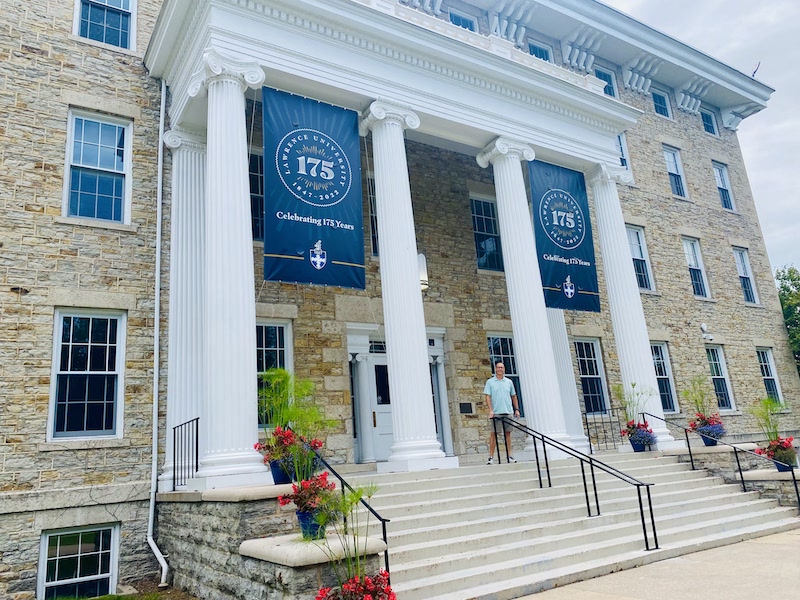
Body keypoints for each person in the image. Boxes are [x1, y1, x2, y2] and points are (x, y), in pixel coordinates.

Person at [484, 361, 520, 464]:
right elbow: (487, 397)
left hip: (508, 411)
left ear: (504, 369)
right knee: (493, 434)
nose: (500, 369)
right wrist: (491, 410)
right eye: (498, 367)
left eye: (502, 367)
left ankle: (509, 456)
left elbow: (513, 396)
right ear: (495, 369)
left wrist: (516, 409)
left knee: (508, 434)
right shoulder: (490, 382)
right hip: (496, 413)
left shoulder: (509, 382)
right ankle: (491, 457)